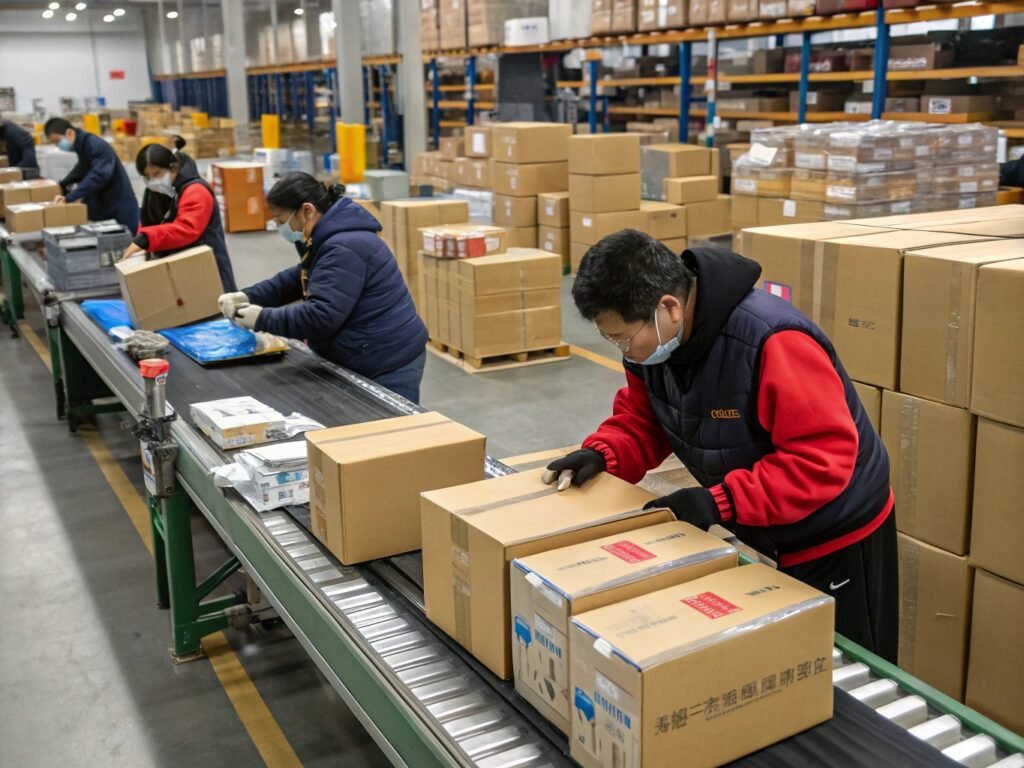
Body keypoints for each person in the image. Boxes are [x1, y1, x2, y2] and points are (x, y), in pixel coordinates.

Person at [544, 231, 897, 662]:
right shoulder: (653, 346)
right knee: (791, 661)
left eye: (622, 338)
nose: (623, 350)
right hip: (770, 522)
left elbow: (818, 462)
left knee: (846, 669)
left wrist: (721, 502)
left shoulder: (771, 341)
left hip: (835, 529)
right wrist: (603, 453)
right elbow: (643, 419)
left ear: (668, 308)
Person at [218, 172, 429, 403]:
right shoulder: (326, 236)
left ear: (307, 210)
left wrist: (262, 318)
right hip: (363, 350)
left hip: (387, 360)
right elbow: (301, 277)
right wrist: (249, 295)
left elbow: (321, 316)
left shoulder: (345, 247)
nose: (279, 227)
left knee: (392, 434)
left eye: (280, 220)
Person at [123, 137, 237, 292]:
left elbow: (187, 228)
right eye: (147, 177)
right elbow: (148, 222)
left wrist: (146, 239)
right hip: (179, 268)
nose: (153, 181)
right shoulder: (156, 191)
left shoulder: (196, 190)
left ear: (173, 167)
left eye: (156, 173)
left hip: (208, 269)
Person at [44, 117, 139, 232]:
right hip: (102, 203)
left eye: (57, 141)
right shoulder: (83, 145)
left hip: (117, 207)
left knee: (120, 243)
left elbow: (99, 175)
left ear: (69, 133)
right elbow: (82, 168)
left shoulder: (95, 145)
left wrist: (71, 197)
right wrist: (63, 184)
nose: (57, 145)